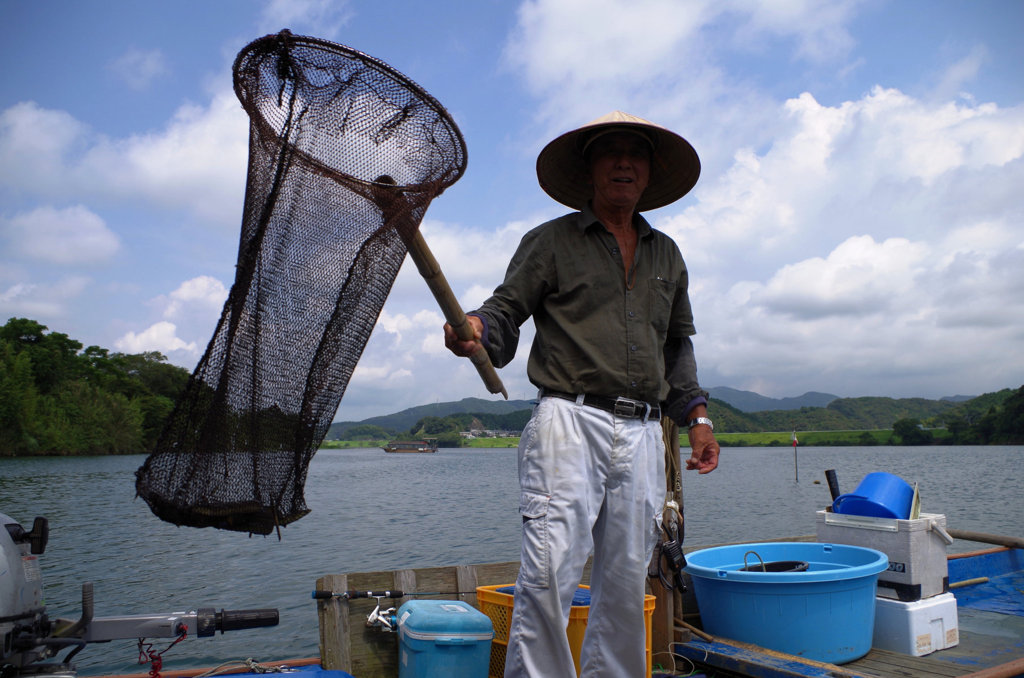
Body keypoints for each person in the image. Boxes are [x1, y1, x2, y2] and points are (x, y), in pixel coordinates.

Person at [444, 111, 720, 677]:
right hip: (569, 421)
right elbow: (504, 311)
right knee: (548, 575)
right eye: (610, 153)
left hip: (646, 432)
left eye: (635, 155)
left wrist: (696, 415)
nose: (624, 163)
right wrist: (475, 329)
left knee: (625, 582)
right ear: (591, 169)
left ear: (647, 174)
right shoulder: (550, 242)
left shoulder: (666, 253)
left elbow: (676, 344)